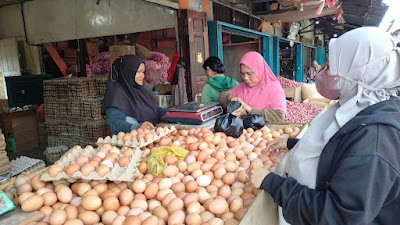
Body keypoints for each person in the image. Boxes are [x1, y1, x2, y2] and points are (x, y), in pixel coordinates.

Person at [249, 27, 400, 224]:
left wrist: (273, 183)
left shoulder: (375, 140)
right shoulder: (359, 105)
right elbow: (341, 149)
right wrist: (293, 143)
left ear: (357, 72)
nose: (321, 73)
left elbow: (337, 216)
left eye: (329, 66)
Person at [102, 55, 167, 135]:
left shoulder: (139, 89)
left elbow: (155, 108)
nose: (142, 76)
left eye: (143, 72)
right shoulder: (115, 95)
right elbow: (116, 125)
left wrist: (172, 114)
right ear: (128, 72)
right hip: (129, 141)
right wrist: (137, 127)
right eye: (138, 72)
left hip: (147, 136)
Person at [218, 51, 286, 123]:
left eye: (249, 73)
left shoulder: (273, 88)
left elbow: (279, 116)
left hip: (263, 131)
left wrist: (250, 110)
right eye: (242, 74)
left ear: (259, 70)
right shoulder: (242, 87)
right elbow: (221, 97)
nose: (245, 78)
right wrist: (230, 97)